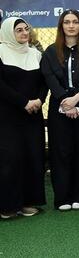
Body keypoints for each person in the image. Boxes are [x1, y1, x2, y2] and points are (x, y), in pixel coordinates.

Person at [41, 9, 79, 211]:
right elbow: (49, 77)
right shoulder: (50, 51)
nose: (71, 26)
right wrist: (65, 101)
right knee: (61, 151)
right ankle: (62, 197)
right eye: (67, 22)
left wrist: (76, 99)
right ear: (61, 26)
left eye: (75, 22)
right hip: (59, 107)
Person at [0, 18, 47, 219]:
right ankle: (8, 206)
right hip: (7, 117)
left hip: (32, 116)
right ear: (8, 32)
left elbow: (44, 82)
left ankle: (29, 202)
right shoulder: (1, 52)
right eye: (18, 30)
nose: (24, 33)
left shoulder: (35, 54)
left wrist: (39, 100)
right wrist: (23, 102)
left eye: (26, 29)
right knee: (10, 159)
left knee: (33, 156)